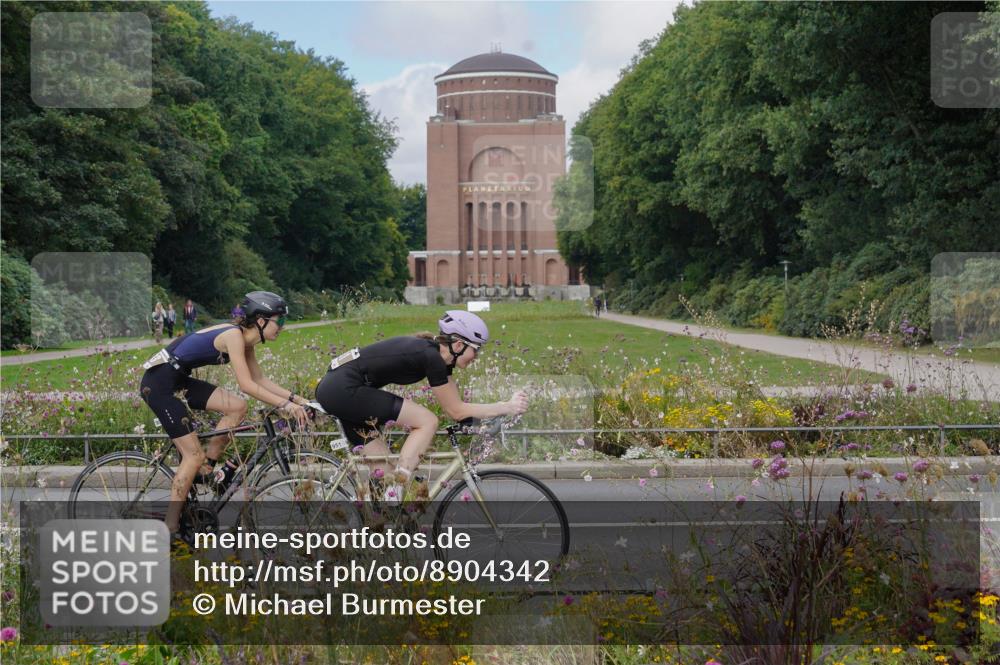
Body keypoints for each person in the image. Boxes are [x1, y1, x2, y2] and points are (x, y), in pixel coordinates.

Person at [139, 291, 309, 541]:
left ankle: (207, 469)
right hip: (159, 383)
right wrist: (285, 405)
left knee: (237, 407)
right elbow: (247, 385)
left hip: (178, 378)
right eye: (279, 321)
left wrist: (297, 399)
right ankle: (171, 527)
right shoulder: (234, 336)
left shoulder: (247, 340)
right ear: (261, 320)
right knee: (192, 455)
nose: (282, 327)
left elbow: (259, 379)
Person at [315, 310, 528, 504]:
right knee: (427, 421)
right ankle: (397, 487)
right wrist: (505, 407)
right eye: (476, 349)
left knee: (384, 472)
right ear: (458, 345)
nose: (477, 357)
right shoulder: (432, 357)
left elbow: (459, 408)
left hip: (337, 388)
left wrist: (487, 416)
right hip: (344, 389)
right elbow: (456, 411)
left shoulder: (437, 359)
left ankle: (376, 529)